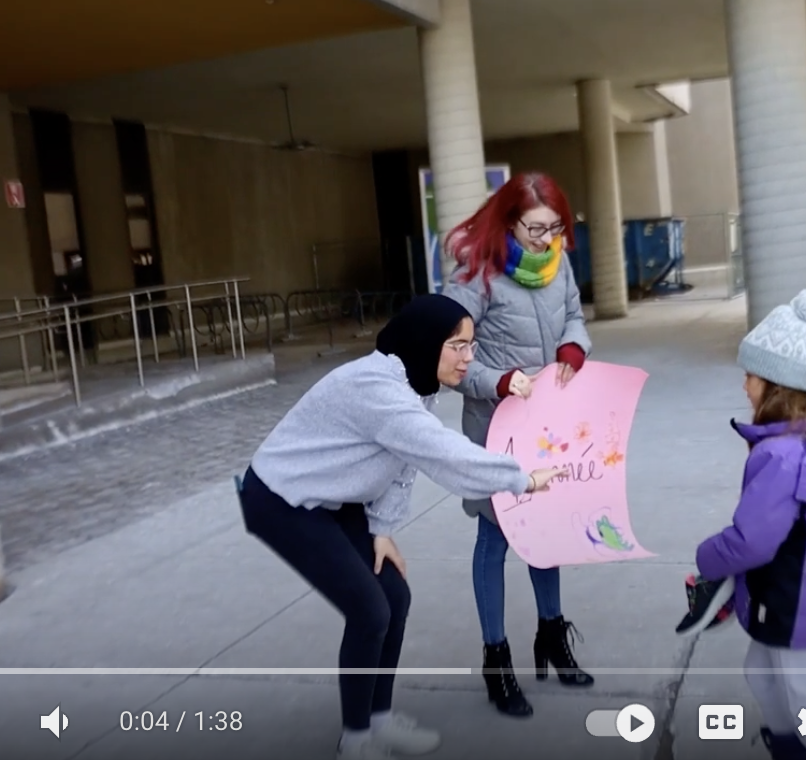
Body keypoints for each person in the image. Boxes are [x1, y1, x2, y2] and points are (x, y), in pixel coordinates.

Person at [237, 294, 565, 760]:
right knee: (369, 610)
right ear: (426, 342)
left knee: (394, 596)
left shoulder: (413, 383)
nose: (468, 358)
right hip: (281, 499)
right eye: (458, 346)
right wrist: (522, 479)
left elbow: (400, 464)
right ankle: (355, 740)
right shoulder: (379, 389)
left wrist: (383, 529)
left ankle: (379, 721)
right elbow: (440, 453)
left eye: (472, 346)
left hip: (337, 497)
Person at [685, 290, 806, 760]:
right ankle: (789, 748)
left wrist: (705, 557)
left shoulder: (782, 454)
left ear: (776, 383)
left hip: (796, 597)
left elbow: (753, 539)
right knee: (761, 671)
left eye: (750, 376)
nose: (744, 386)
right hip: (805, 586)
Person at [441, 172, 594, 718]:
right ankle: (496, 659)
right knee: (497, 536)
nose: (546, 240)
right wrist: (499, 381)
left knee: (545, 534)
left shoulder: (558, 264)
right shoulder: (475, 277)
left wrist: (574, 349)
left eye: (556, 229)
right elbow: (451, 359)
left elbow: (574, 314)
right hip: (495, 429)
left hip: (548, 425)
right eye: (535, 229)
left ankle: (551, 635)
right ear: (509, 222)